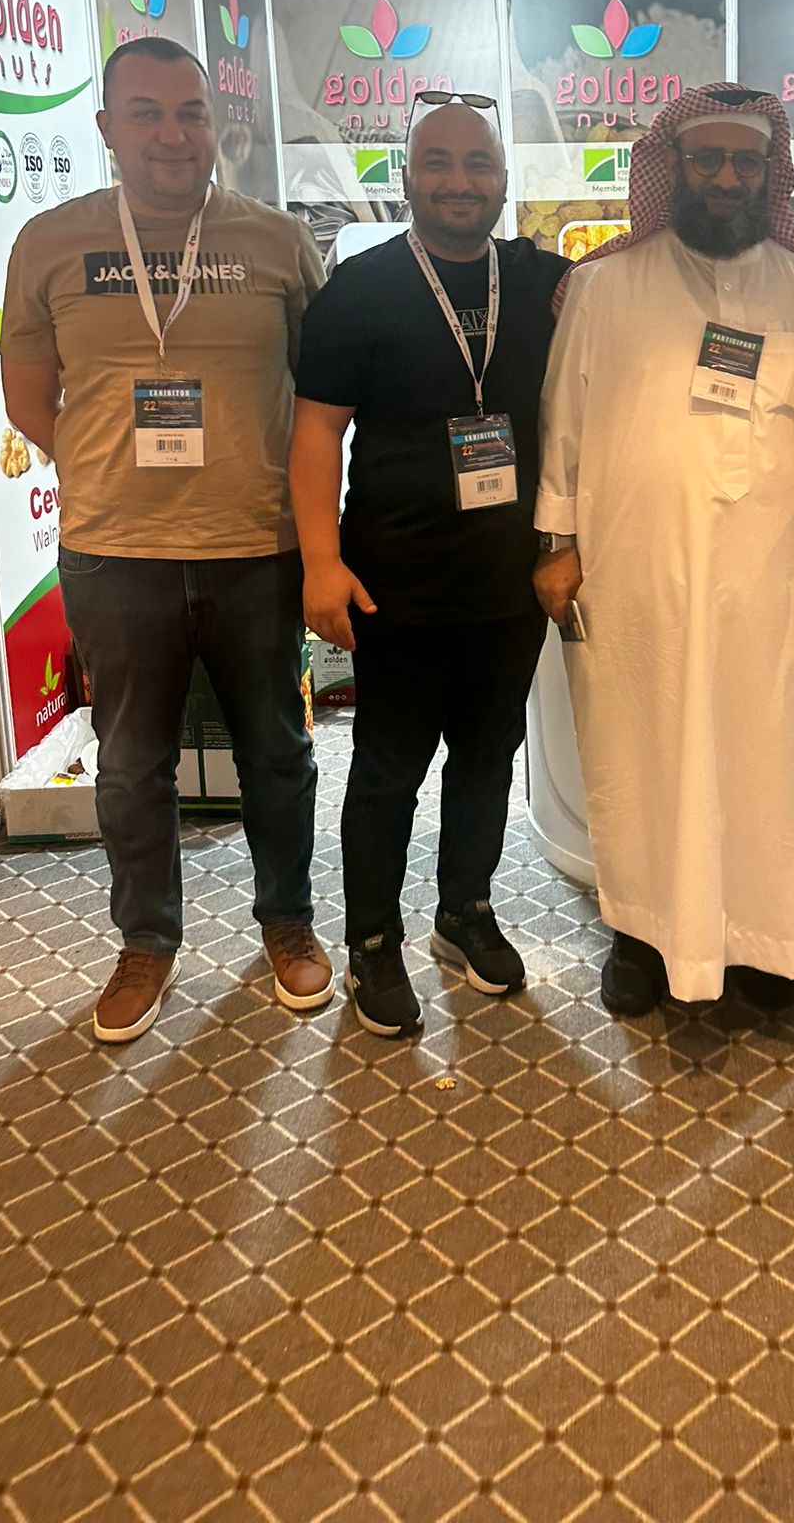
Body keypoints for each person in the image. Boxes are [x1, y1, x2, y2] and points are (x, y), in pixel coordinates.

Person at [0, 37, 330, 1043]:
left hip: (256, 545)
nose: (172, 134)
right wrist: (111, 471)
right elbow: (28, 398)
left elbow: (320, 401)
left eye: (191, 112)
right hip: (115, 553)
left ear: (215, 126)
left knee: (276, 749)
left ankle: (288, 923)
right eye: (145, 112)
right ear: (107, 127)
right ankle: (146, 943)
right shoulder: (50, 242)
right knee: (131, 762)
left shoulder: (278, 242)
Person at [533, 84, 794, 1016]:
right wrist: (556, 544)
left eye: (745, 163)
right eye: (708, 160)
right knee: (644, 749)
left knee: (773, 756)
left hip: (778, 580)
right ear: (672, 168)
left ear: (769, 175)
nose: (727, 179)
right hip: (639, 573)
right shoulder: (604, 289)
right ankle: (644, 935)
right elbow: (563, 425)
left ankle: (774, 946)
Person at [290, 96, 565, 1038]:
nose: (459, 182)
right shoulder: (359, 288)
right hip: (394, 584)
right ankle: (372, 938)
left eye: (478, 164)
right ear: (406, 177)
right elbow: (316, 434)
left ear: (503, 178)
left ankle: (465, 910)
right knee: (387, 770)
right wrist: (319, 563)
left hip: (509, 583)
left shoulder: (543, 282)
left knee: (488, 760)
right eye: (438, 163)